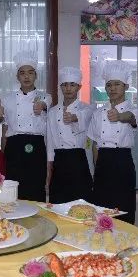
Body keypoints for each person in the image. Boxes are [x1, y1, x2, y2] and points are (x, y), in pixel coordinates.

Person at [88, 60, 138, 224]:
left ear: (126, 86)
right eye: (109, 85)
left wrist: (119, 116)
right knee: (102, 207)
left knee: (123, 206)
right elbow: (95, 145)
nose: (112, 88)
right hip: (103, 162)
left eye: (117, 84)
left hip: (122, 161)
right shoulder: (98, 114)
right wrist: (97, 168)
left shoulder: (134, 109)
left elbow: (131, 118)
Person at [1, 51, 52, 201]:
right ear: (17, 77)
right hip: (14, 147)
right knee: (13, 189)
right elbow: (5, 130)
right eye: (22, 73)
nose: (26, 76)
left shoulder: (45, 97)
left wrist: (41, 106)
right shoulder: (7, 99)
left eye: (30, 72)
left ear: (36, 75)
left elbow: (45, 105)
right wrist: (3, 154)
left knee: (35, 186)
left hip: (36, 146)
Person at [47, 67, 94, 203]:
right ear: (60, 87)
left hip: (78, 159)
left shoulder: (87, 108)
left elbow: (83, 117)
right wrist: (49, 167)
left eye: (72, 85)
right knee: (58, 202)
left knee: (81, 201)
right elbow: (50, 141)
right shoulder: (52, 112)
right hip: (59, 160)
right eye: (65, 85)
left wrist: (74, 118)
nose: (68, 88)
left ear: (79, 87)